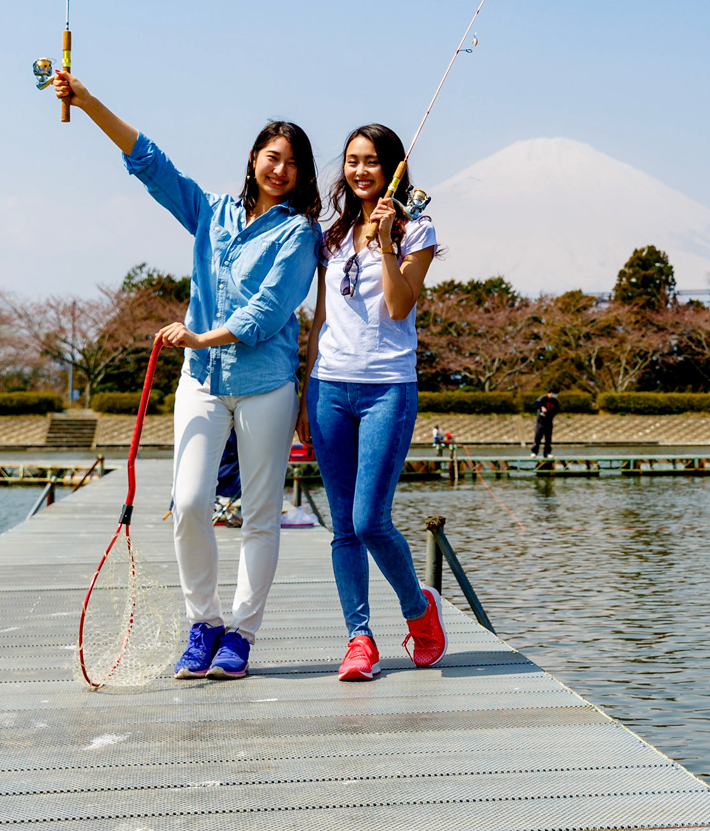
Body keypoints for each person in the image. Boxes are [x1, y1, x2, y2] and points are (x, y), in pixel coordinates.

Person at [53, 69, 320, 681]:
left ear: (301, 175)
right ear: (253, 158)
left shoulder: (298, 233)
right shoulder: (213, 212)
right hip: (201, 379)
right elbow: (151, 163)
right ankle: (205, 623)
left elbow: (268, 311)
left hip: (266, 385)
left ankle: (242, 636)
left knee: (260, 514)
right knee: (192, 500)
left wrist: (202, 333)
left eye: (292, 163)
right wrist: (87, 99)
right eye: (271, 157)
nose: (279, 169)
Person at [304, 124, 445, 683]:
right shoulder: (330, 234)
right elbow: (318, 315)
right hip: (327, 387)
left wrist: (387, 243)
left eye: (371, 161)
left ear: (392, 169)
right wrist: (302, 388)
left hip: (388, 387)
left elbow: (397, 305)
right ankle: (359, 638)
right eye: (352, 161)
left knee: (369, 519)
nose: (360, 171)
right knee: (342, 525)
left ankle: (419, 609)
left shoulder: (418, 230)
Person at [531, 390, 559, 457]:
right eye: (554, 394)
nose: (554, 395)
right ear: (550, 393)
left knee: (548, 439)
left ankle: (547, 453)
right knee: (538, 437)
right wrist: (541, 407)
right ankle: (534, 452)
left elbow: (557, 410)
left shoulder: (555, 401)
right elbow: (536, 403)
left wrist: (551, 415)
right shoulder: (543, 398)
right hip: (541, 421)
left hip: (549, 422)